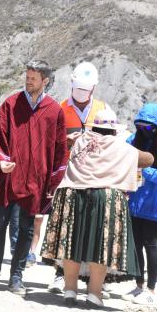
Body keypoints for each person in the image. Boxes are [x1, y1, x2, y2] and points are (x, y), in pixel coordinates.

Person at [41, 109, 153, 308]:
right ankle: (94, 293)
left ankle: (70, 290)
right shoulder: (121, 147)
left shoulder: (80, 142)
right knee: (100, 246)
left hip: (72, 194)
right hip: (105, 197)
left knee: (71, 244)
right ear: (113, 130)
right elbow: (148, 159)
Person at [0, 60, 67, 295]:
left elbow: (59, 148)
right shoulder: (11, 104)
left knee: (27, 229)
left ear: (45, 81)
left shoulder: (54, 111)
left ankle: (16, 276)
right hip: (8, 177)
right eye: (27, 77)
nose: (28, 82)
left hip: (35, 180)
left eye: (33, 78)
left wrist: (53, 180)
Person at [49, 61, 109, 294]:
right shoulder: (60, 109)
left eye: (86, 90)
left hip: (93, 176)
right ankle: (59, 274)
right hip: (66, 176)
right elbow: (50, 142)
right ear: (72, 84)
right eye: (78, 89)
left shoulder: (103, 110)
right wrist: (67, 141)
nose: (81, 94)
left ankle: (87, 280)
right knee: (63, 227)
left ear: (93, 89)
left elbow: (111, 141)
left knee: (86, 227)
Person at [121, 103, 157, 306]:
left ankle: (151, 288)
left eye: (148, 128)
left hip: (155, 206)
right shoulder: (133, 140)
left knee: (151, 246)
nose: (144, 131)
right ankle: (139, 285)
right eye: (140, 126)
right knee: (135, 246)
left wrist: (143, 169)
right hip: (134, 203)